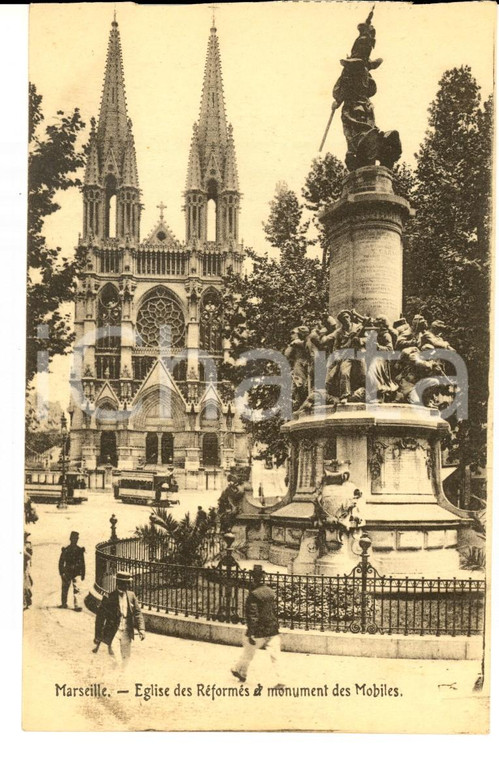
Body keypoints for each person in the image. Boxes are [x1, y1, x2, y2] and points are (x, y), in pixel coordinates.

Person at [231, 565, 283, 686]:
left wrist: (251, 633)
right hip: (272, 628)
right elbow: (274, 611)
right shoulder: (270, 592)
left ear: (253, 578)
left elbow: (252, 616)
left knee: (248, 652)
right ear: (263, 577)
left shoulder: (253, 595)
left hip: (259, 630)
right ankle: (281, 680)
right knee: (275, 656)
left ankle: (240, 671)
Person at [94, 571, 145, 668]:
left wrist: (141, 629)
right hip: (113, 632)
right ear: (118, 582)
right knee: (115, 657)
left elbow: (138, 613)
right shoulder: (109, 597)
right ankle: (114, 676)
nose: (126, 585)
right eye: (123, 583)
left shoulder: (131, 596)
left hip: (127, 631)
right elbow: (100, 618)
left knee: (126, 658)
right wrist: (97, 636)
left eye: (127, 583)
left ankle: (121, 677)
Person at [58, 530, 85, 611]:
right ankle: (64, 603)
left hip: (77, 572)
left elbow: (82, 563)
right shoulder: (66, 550)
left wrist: (83, 573)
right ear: (70, 539)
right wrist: (62, 572)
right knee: (65, 588)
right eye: (74, 538)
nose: (75, 540)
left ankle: (77, 605)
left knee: (77, 589)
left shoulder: (80, 550)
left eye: (76, 539)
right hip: (67, 572)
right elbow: (61, 562)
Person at [24, 532, 33, 611]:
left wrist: (24, 552)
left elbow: (30, 556)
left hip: (25, 567)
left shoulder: (28, 544)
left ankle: (27, 601)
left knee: (26, 585)